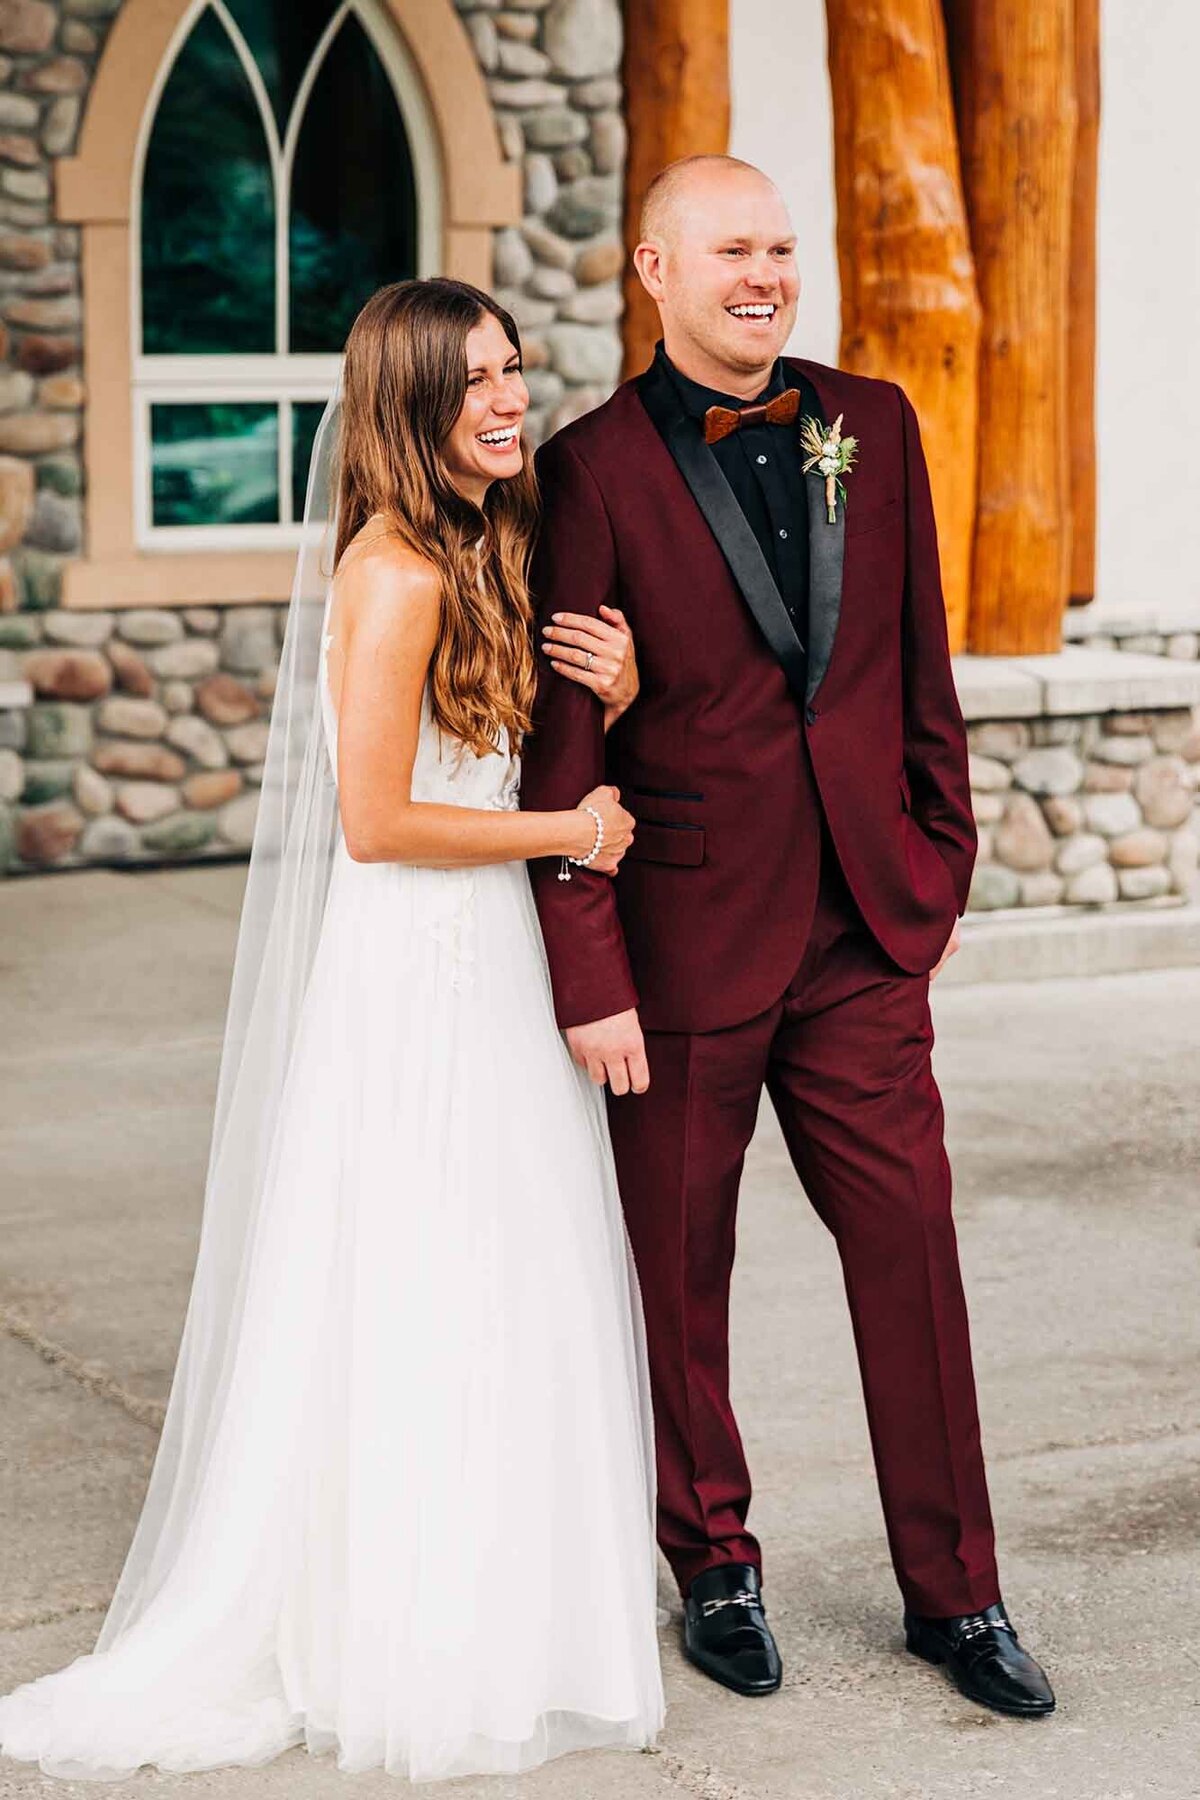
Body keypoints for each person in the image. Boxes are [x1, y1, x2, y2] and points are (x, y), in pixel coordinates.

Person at [0, 278, 664, 1783]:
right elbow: (375, 819)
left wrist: (614, 698)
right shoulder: (393, 573)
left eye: (511, 369)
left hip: (484, 950)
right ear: (408, 406)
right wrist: (571, 824)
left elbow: (491, 749)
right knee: (421, 1273)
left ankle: (498, 1602)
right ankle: (403, 1624)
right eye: (472, 382)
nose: (507, 400)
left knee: (507, 1269)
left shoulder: (481, 542)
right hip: (420, 965)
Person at [521, 156, 1056, 1719]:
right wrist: (590, 974)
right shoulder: (591, 468)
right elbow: (565, 749)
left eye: (779, 248)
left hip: (863, 939)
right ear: (653, 270)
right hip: (682, 939)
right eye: (731, 250)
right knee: (678, 1274)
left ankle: (956, 1595)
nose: (764, 273)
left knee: (912, 1255)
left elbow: (915, 664)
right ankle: (717, 1565)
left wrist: (934, 872)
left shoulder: (871, 424)